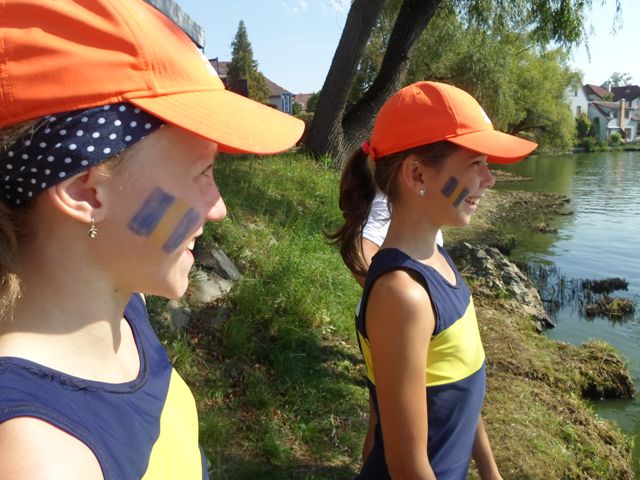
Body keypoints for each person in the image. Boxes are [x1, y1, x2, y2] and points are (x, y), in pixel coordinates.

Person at [0, 1, 303, 479]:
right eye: (202, 172)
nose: (219, 207)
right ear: (85, 191)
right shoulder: (41, 460)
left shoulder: (124, 306)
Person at [331, 81, 537, 479]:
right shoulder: (402, 295)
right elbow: (408, 466)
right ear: (417, 174)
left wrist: (490, 472)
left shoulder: (437, 259)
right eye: (476, 163)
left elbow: (461, 385)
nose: (489, 179)